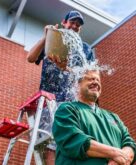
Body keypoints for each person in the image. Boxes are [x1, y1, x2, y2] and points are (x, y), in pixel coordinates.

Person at [27, 10, 95, 164]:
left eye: (78, 25)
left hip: (72, 102)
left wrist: (67, 68)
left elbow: (88, 76)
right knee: (50, 142)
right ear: (64, 22)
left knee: (73, 141)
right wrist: (46, 36)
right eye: (72, 22)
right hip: (48, 101)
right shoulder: (53, 39)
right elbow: (30, 57)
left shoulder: (84, 49)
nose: (75, 26)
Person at [53, 70, 136, 165]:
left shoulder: (113, 117)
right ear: (78, 85)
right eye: (90, 79)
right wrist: (115, 153)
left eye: (98, 80)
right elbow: (72, 140)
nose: (96, 82)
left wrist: (120, 159)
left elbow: (129, 143)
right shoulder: (67, 109)